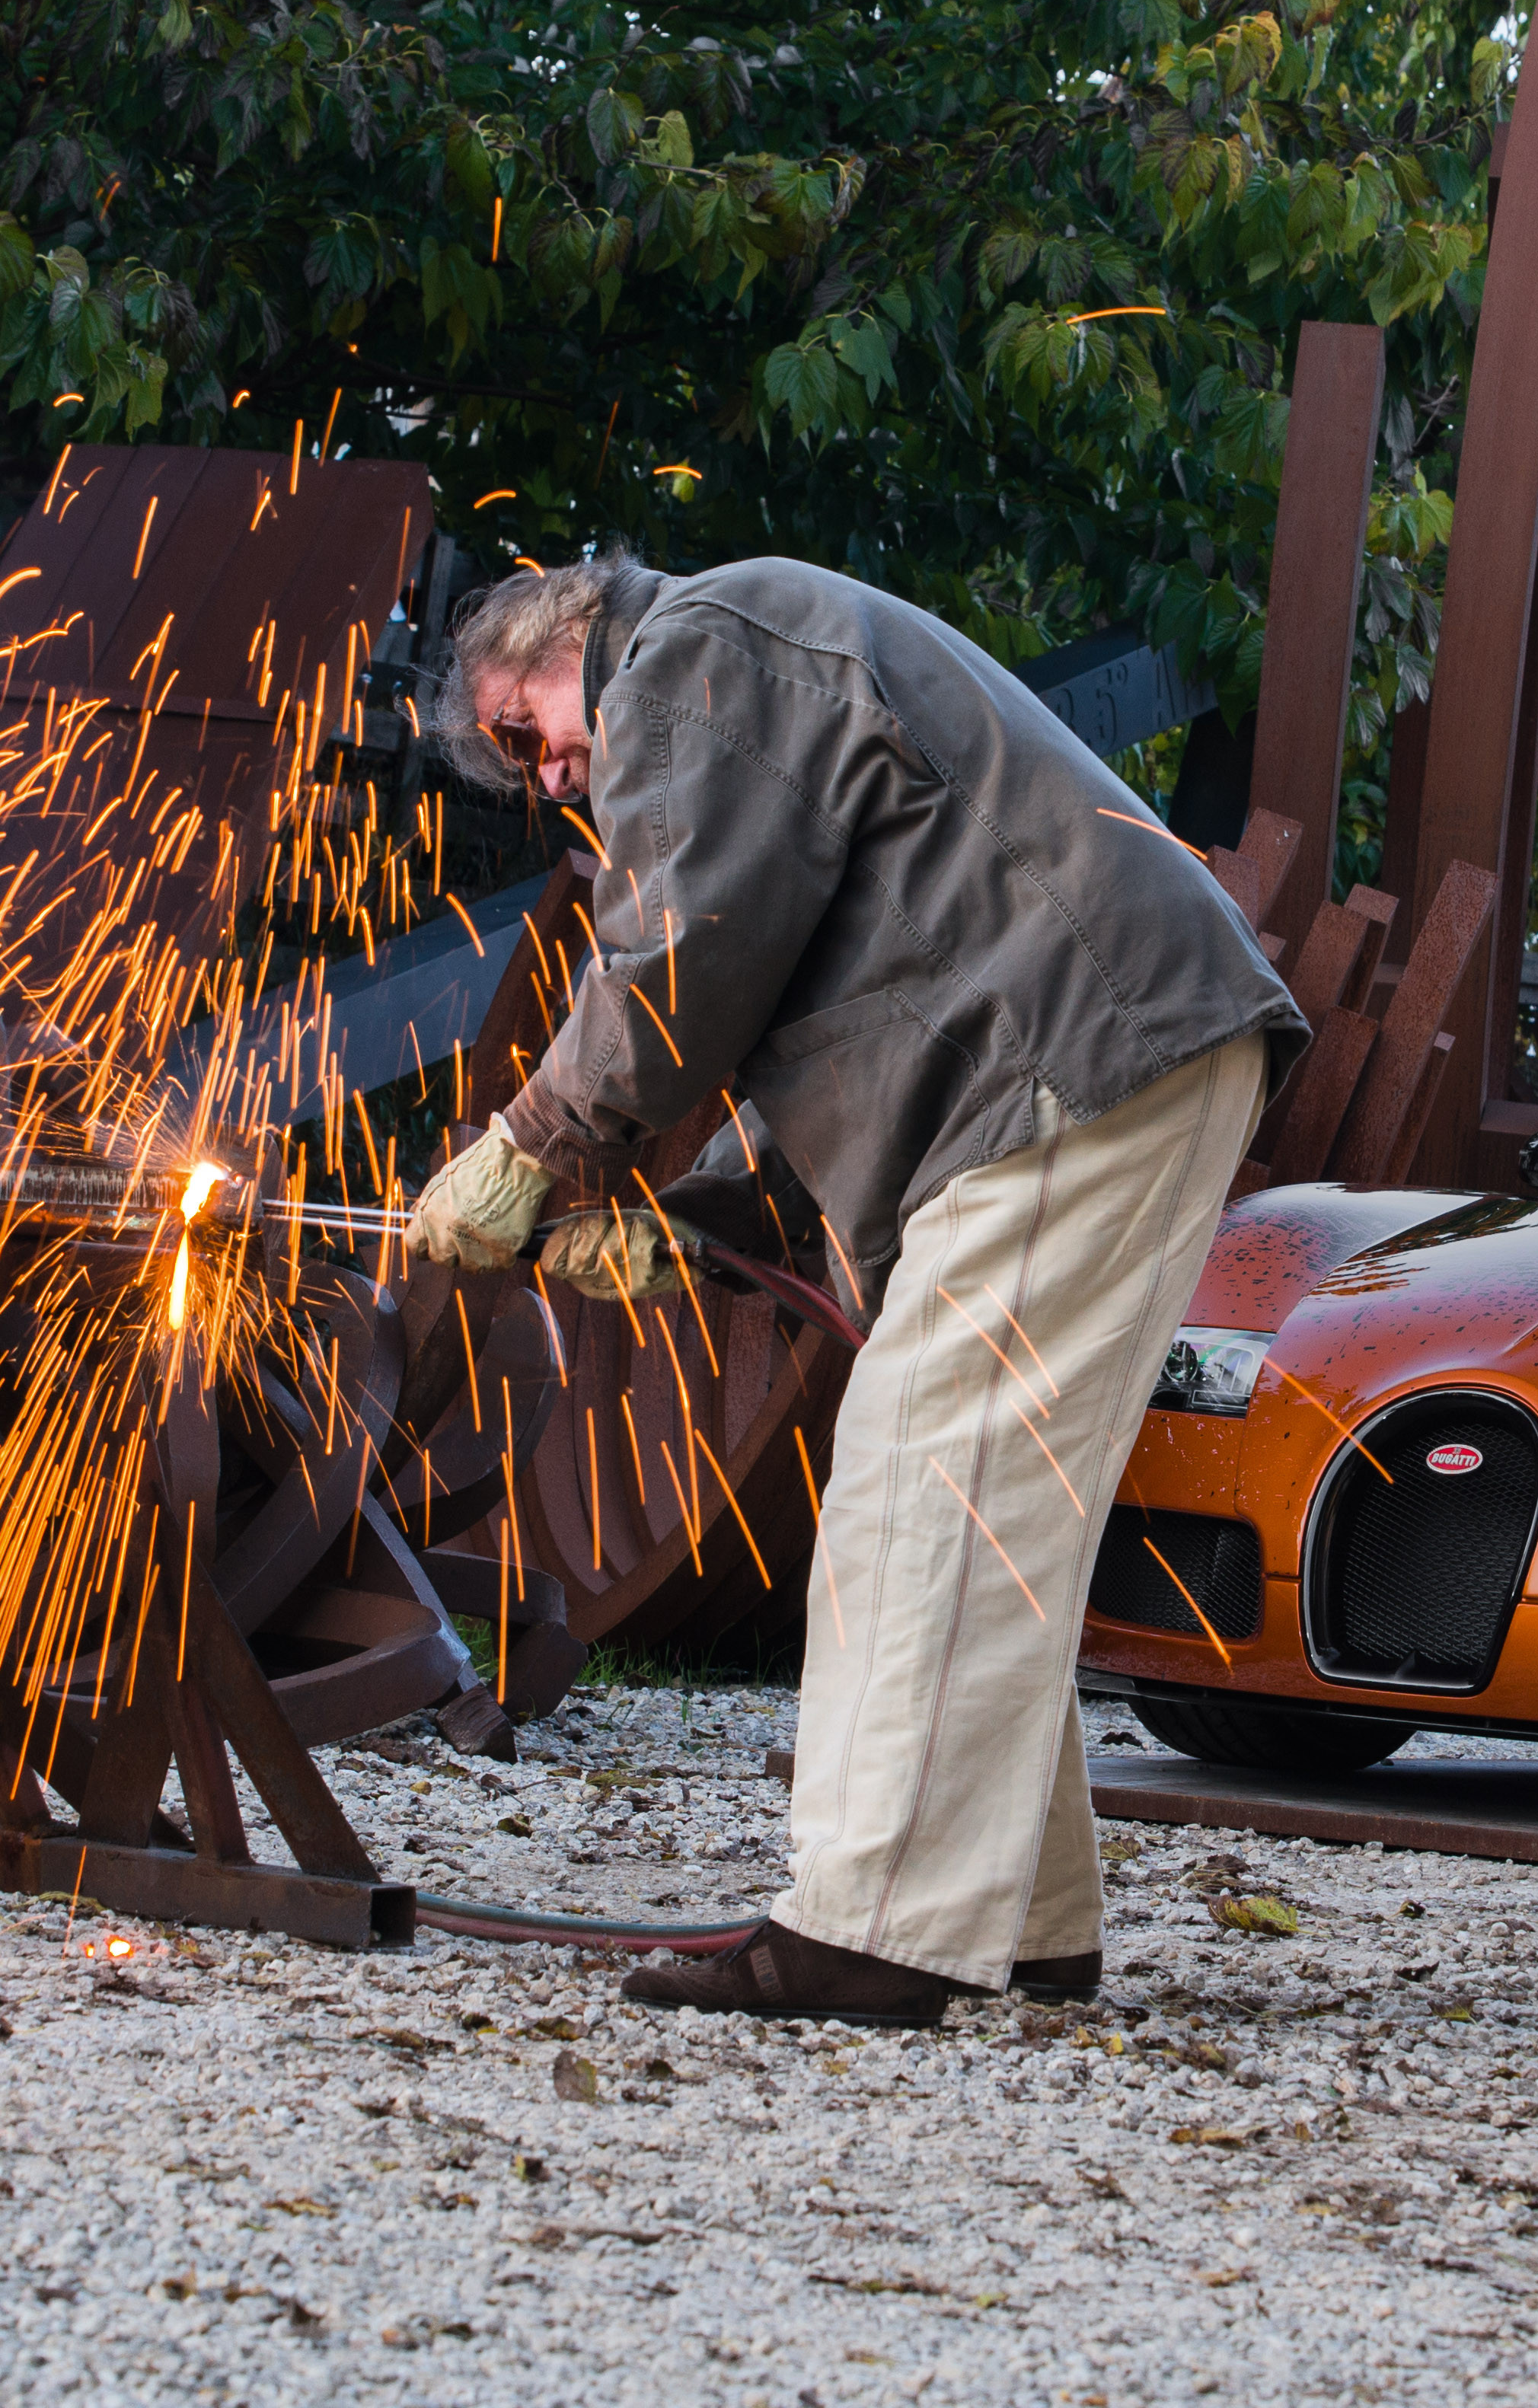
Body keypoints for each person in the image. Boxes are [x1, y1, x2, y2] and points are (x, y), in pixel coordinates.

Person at [407, 555, 1299, 2024]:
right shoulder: (742, 668)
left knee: (927, 1480)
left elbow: (682, 951)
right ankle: (1016, 1921)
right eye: (521, 764)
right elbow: (812, 1014)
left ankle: (879, 1934)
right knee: (979, 1502)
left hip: (1073, 1055)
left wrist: (539, 1143)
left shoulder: (691, 649)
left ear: (568, 633)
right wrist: (683, 1230)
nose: (549, 775)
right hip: (1086, 1053)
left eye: (528, 729)